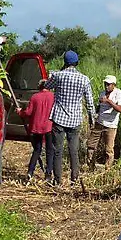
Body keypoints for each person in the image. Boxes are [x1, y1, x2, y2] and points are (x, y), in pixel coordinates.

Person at [44, 50, 95, 186]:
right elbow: (89, 102)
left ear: (65, 62)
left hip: (59, 118)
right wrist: (91, 119)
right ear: (76, 63)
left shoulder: (58, 76)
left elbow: (46, 86)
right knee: (74, 150)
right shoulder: (84, 79)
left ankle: (58, 180)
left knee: (57, 151)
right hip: (75, 119)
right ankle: (74, 179)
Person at [19, 79, 55, 183]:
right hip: (49, 127)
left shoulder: (35, 97)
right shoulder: (53, 96)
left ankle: (30, 172)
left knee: (37, 150)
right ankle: (48, 174)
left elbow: (28, 112)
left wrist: (21, 112)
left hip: (36, 127)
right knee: (50, 151)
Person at [86, 75, 121, 169]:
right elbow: (99, 106)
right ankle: (90, 165)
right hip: (99, 122)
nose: (106, 86)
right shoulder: (102, 93)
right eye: (105, 84)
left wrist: (108, 101)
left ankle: (108, 168)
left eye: (108, 84)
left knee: (109, 149)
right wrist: (94, 114)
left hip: (111, 125)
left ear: (114, 85)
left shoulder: (118, 93)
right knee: (91, 144)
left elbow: (120, 109)